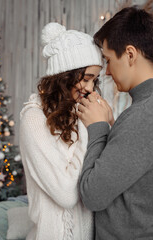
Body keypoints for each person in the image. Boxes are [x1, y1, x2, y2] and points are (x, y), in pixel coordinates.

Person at [77, 7, 153, 240]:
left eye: (108, 60)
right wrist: (112, 125)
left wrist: (98, 128)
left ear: (129, 54)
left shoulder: (145, 115)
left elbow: (92, 195)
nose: (106, 72)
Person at [19, 22, 103, 240]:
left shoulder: (78, 111)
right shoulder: (34, 119)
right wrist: (89, 126)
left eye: (94, 79)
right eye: (86, 79)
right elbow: (66, 195)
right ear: (64, 76)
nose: (90, 88)